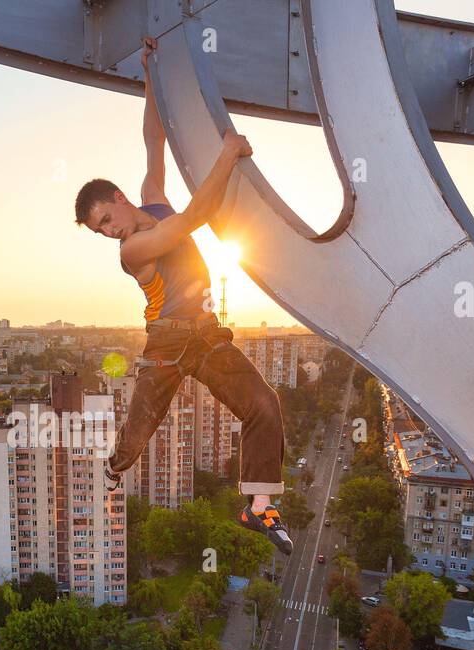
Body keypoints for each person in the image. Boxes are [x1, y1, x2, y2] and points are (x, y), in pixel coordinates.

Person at [74, 36, 293, 556]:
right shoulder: (134, 251)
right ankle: (113, 468)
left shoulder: (152, 195)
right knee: (142, 425)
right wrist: (229, 152)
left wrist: (150, 74)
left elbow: (154, 139)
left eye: (106, 220)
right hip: (166, 344)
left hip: (205, 335)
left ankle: (259, 507)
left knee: (265, 404)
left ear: (120, 200)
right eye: (98, 230)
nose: (108, 232)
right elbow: (195, 218)